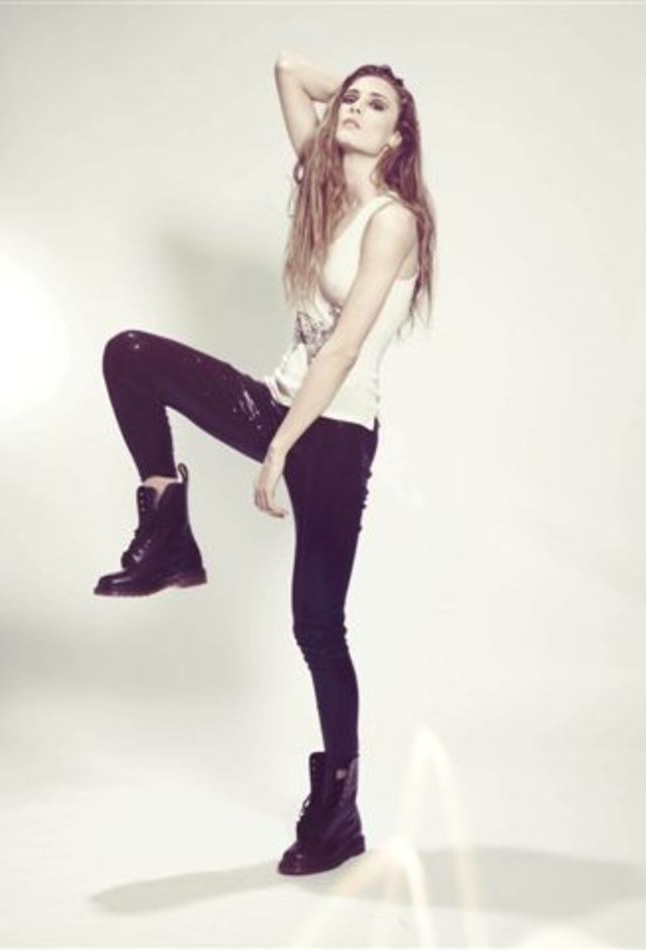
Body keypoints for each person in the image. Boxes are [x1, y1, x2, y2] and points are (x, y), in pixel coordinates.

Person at [94, 51, 437, 876]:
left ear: (399, 136)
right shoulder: (326, 190)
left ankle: (338, 806)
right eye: (349, 99)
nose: (352, 108)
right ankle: (167, 529)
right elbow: (287, 69)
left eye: (376, 106)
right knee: (131, 354)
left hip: (335, 433)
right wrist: (358, 92)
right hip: (282, 403)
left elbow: (344, 347)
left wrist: (277, 450)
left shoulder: (392, 220)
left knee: (315, 624)